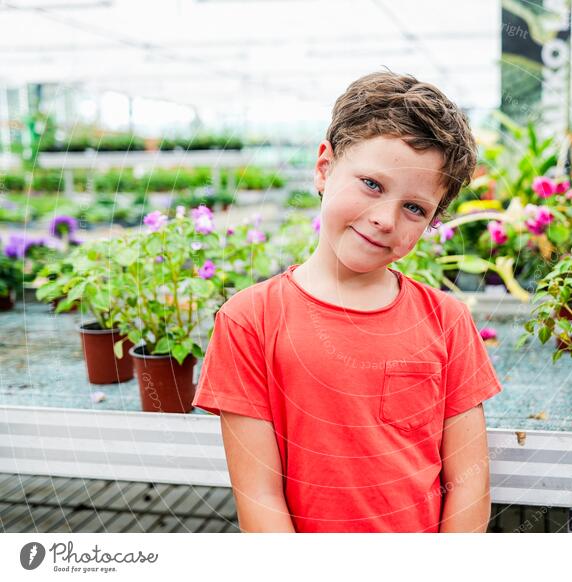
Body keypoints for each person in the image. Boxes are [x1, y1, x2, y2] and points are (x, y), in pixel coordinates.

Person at [192, 71, 503, 532]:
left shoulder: (447, 321)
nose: (383, 219)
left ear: (433, 220)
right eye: (372, 185)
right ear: (324, 168)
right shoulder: (249, 321)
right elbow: (259, 494)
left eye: (414, 208)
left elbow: (468, 483)